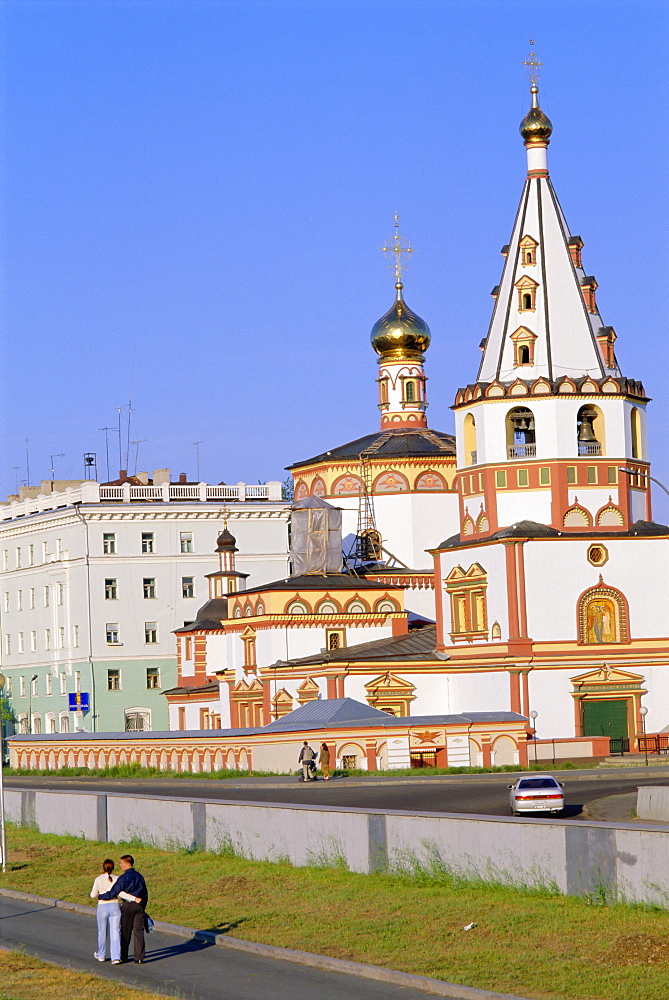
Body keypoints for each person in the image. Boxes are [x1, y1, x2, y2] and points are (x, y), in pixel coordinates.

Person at [98, 854, 148, 963]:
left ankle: (123, 955)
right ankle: (139, 957)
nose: (120, 865)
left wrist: (101, 896)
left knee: (125, 931)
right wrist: (142, 906)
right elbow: (145, 893)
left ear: (126, 864)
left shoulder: (123, 878)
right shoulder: (140, 876)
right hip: (139, 905)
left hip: (128, 905)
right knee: (138, 931)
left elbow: (114, 892)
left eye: (121, 863)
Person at [90, 859, 129, 964]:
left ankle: (101, 954)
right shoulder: (117, 878)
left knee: (102, 931)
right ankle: (116, 957)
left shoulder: (98, 879)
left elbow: (92, 895)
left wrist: (99, 894)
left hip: (102, 905)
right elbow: (121, 893)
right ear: (113, 868)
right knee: (115, 931)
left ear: (103, 867)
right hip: (114, 905)